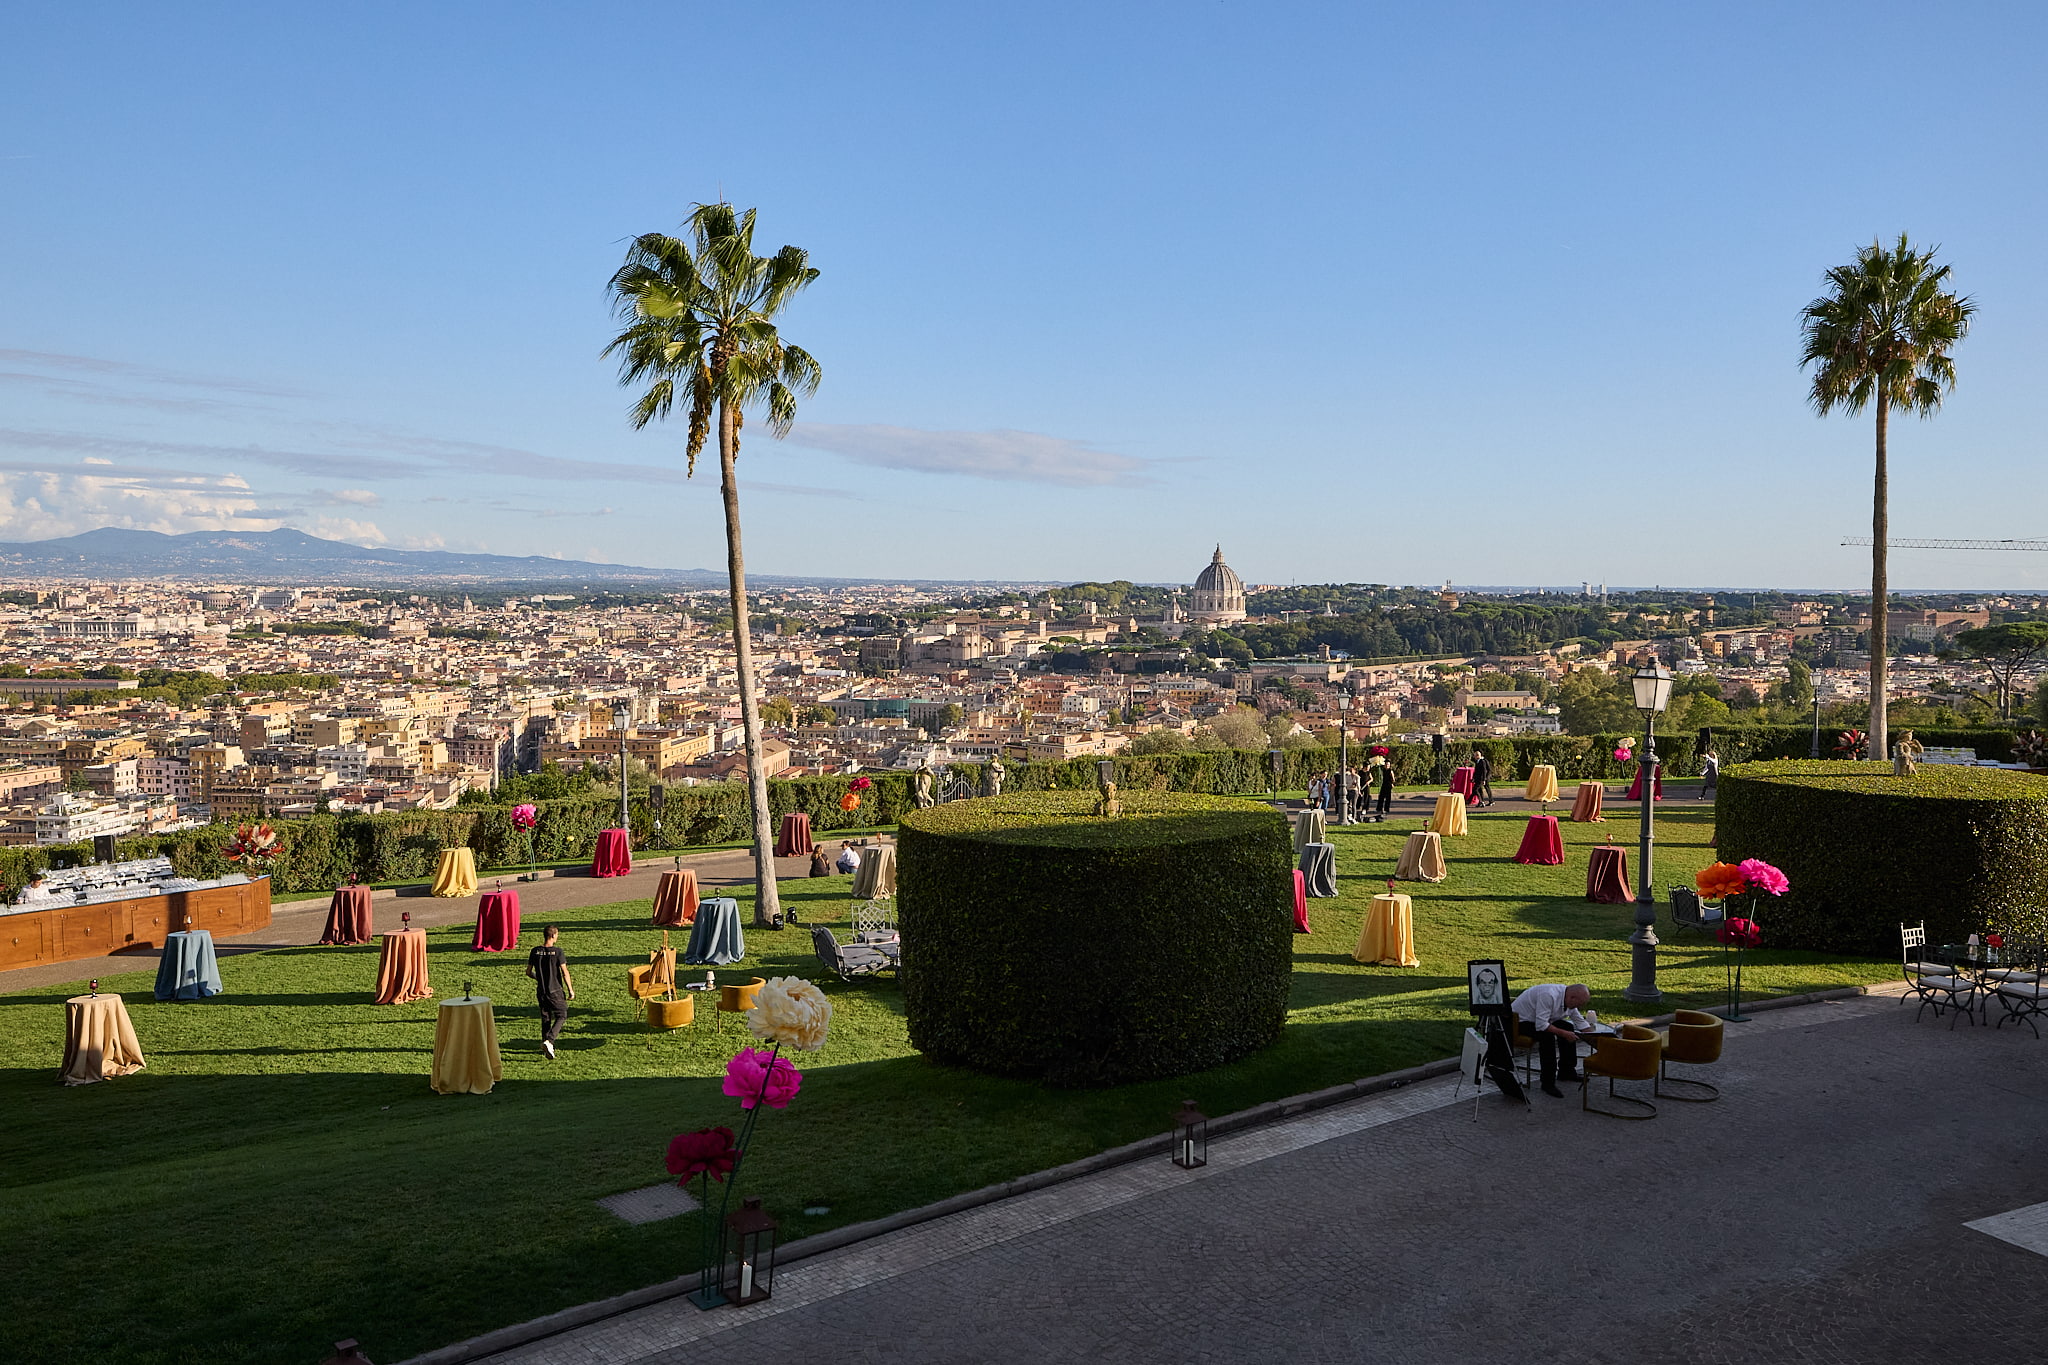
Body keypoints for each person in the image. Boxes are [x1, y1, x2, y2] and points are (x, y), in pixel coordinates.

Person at [1510, 981, 1594, 1097]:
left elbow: (1579, 1021)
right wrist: (1564, 1034)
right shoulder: (1548, 995)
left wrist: (1595, 1038)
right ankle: (1547, 1083)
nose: (1579, 1007)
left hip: (1541, 1019)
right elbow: (1541, 1025)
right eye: (1578, 1004)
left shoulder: (1569, 998)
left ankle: (1567, 1071)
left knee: (1568, 1027)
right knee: (1547, 1038)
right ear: (1572, 997)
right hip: (1520, 1021)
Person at [524, 925, 575, 1060]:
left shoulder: (535, 951)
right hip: (555, 990)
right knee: (562, 1014)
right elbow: (565, 973)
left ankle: (546, 1047)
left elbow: (528, 972)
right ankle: (550, 1041)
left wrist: (538, 978)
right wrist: (570, 990)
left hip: (541, 990)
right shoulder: (558, 952)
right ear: (553, 936)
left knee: (546, 1018)